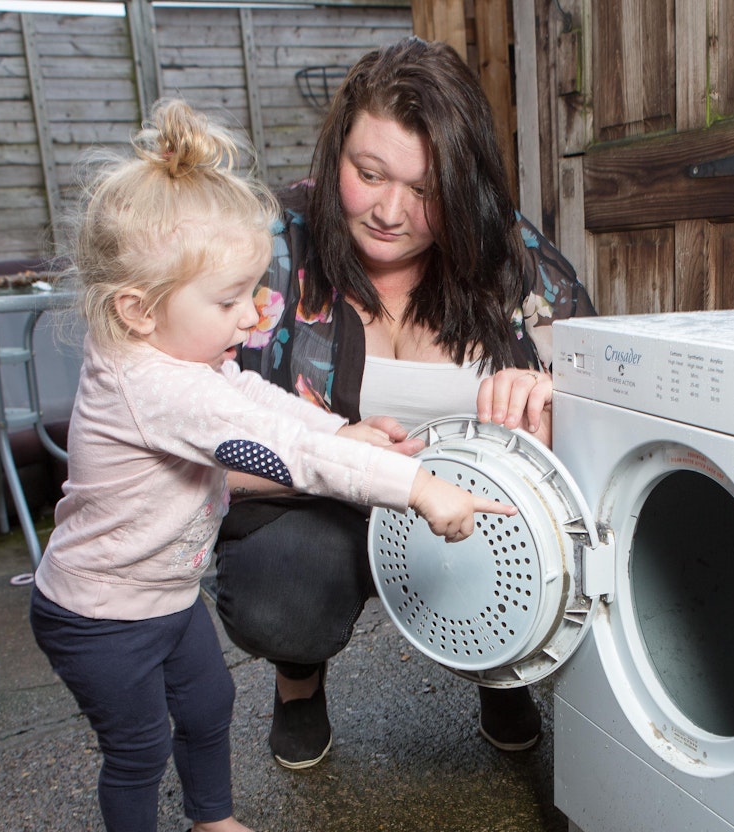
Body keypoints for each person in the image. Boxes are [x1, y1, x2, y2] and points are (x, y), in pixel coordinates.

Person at [29, 98, 514, 832]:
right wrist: (418, 486)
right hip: (100, 614)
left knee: (210, 703)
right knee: (140, 744)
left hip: (164, 597)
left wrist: (345, 429)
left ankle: (211, 827)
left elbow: (262, 398)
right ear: (140, 309)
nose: (253, 316)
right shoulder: (156, 385)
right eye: (228, 302)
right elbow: (279, 452)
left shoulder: (184, 354)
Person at [213, 36, 597, 769]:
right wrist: (330, 457)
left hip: (477, 509)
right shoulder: (270, 249)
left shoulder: (509, 252)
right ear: (336, 160)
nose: (391, 211)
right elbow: (188, 437)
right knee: (285, 593)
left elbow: (609, 394)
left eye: (426, 191)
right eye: (369, 174)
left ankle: (499, 660)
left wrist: (553, 391)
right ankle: (299, 678)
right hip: (316, 508)